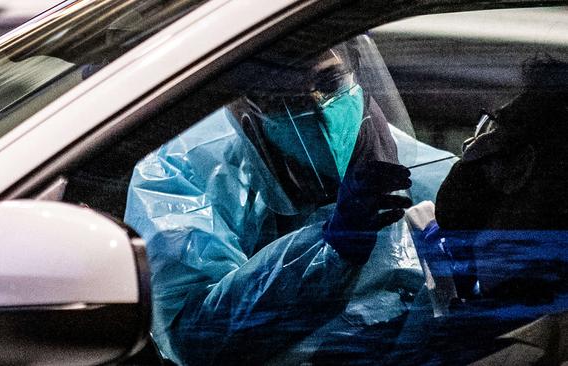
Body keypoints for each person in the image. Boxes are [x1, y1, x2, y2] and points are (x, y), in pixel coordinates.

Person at [124, 37, 452, 365]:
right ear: (239, 106)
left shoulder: (418, 172)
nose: (318, 107)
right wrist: (331, 250)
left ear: (354, 70)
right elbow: (197, 340)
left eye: (330, 81)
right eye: (285, 97)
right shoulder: (184, 173)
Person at [403, 55, 568, 364]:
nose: (469, 143)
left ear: (519, 166)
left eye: (492, 126)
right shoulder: (517, 312)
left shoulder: (509, 349)